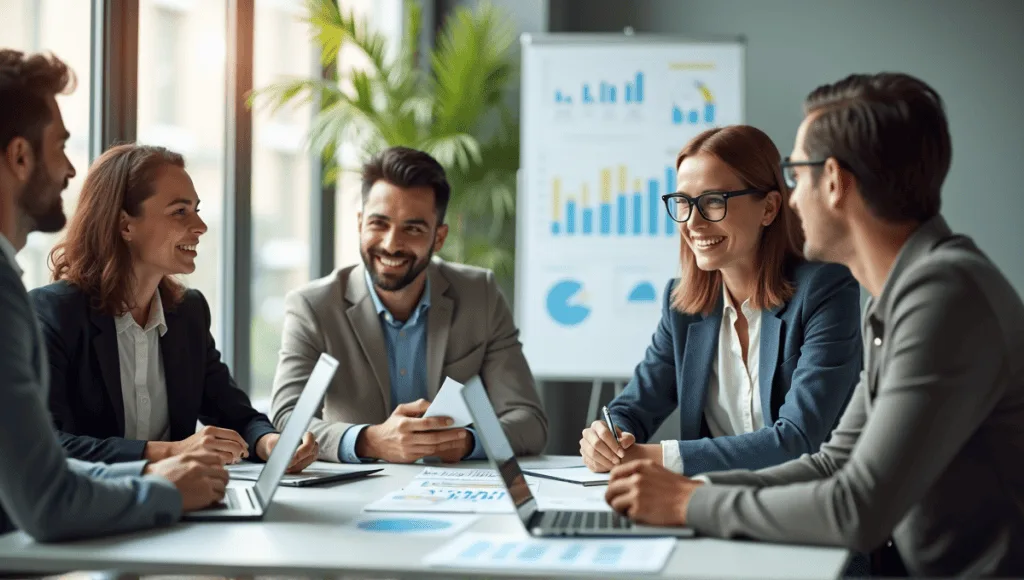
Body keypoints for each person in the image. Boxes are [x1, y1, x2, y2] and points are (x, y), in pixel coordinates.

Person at [604, 73, 1024, 577]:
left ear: (834, 181)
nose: (792, 198)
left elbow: (856, 508)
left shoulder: (943, 296)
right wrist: (690, 493)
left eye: (796, 175)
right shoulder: (909, 291)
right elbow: (832, 463)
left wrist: (685, 504)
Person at [0, 48, 227, 541]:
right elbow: (46, 496)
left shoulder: (186, 313)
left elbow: (41, 479)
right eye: (60, 146)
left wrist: (157, 475)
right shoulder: (31, 305)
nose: (68, 170)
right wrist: (164, 479)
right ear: (20, 156)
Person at [581, 125, 862, 476]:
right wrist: (609, 438)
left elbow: (798, 440)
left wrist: (653, 457)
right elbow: (634, 407)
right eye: (683, 202)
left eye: (714, 201)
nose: (693, 222)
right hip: (711, 511)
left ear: (769, 208)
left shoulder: (826, 291)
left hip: (806, 511)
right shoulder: (681, 306)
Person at [29, 143, 318, 474]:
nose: (200, 226)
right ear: (125, 226)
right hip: (96, 516)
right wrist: (168, 452)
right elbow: (46, 444)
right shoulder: (52, 314)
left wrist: (270, 443)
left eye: (196, 209)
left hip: (178, 511)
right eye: (180, 211)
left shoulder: (188, 313)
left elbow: (234, 413)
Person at [271, 146, 547, 464]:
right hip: (352, 494)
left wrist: (467, 442)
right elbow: (286, 417)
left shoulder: (479, 294)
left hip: (454, 491)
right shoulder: (313, 306)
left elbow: (529, 421)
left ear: (439, 238)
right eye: (379, 224)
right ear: (360, 223)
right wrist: (368, 441)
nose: (392, 244)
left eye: (413, 229)